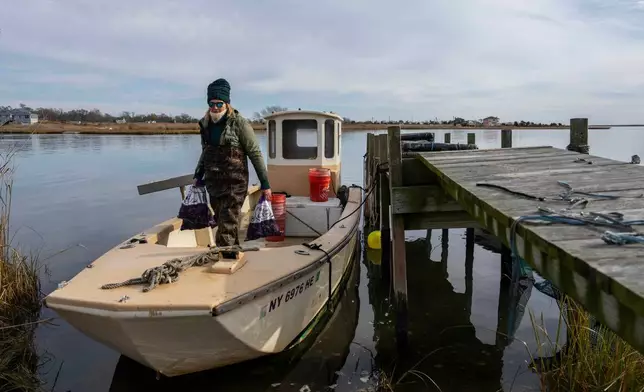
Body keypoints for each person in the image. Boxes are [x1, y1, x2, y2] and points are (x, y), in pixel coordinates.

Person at [192, 78, 272, 246]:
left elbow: (255, 153)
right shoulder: (205, 124)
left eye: (219, 104)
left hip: (235, 184)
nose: (215, 107)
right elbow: (205, 152)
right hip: (213, 183)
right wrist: (198, 175)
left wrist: (265, 184)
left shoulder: (239, 124)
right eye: (211, 103)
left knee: (227, 224)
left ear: (227, 103)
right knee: (222, 220)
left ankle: (224, 260)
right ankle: (233, 253)